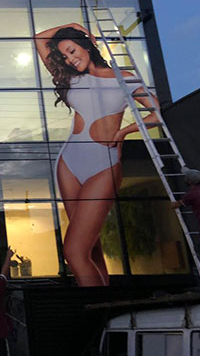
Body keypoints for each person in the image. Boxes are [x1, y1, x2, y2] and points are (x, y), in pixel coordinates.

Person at [34, 23, 158, 287]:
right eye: (64, 56)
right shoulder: (70, 77)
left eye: (72, 51)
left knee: (74, 252)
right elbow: (39, 38)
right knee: (90, 248)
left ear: (87, 46)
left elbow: (157, 112)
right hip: (69, 163)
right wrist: (75, 26)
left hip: (104, 164)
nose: (70, 59)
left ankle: (95, 307)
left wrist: (124, 131)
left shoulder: (123, 78)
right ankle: (103, 300)